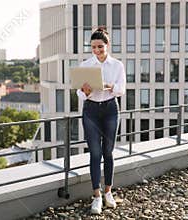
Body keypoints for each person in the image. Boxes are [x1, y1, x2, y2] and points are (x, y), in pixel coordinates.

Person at [76, 28, 126, 214]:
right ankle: (96, 196)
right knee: (95, 153)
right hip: (91, 111)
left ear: (107, 45)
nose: (96, 50)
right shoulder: (85, 65)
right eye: (93, 47)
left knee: (108, 152)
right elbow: (79, 93)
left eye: (100, 47)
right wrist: (86, 91)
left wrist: (109, 86)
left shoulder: (117, 65)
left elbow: (121, 89)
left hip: (110, 109)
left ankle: (108, 192)